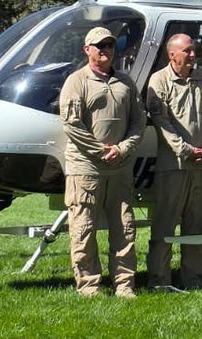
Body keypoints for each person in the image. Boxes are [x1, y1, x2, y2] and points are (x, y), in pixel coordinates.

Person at [58, 26, 146, 298]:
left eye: (109, 45)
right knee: (83, 230)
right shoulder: (77, 81)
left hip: (119, 168)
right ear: (87, 50)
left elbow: (138, 121)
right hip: (86, 170)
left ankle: (124, 284)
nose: (105, 50)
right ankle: (89, 286)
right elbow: (71, 124)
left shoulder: (125, 83)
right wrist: (100, 150)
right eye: (99, 46)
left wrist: (122, 148)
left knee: (125, 229)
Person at [147, 32, 202, 291]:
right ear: (172, 55)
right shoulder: (158, 81)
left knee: (197, 224)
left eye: (194, 50)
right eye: (188, 51)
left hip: (201, 166)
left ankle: (194, 279)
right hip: (174, 167)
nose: (193, 54)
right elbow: (162, 123)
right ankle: (159, 280)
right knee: (164, 225)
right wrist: (186, 149)